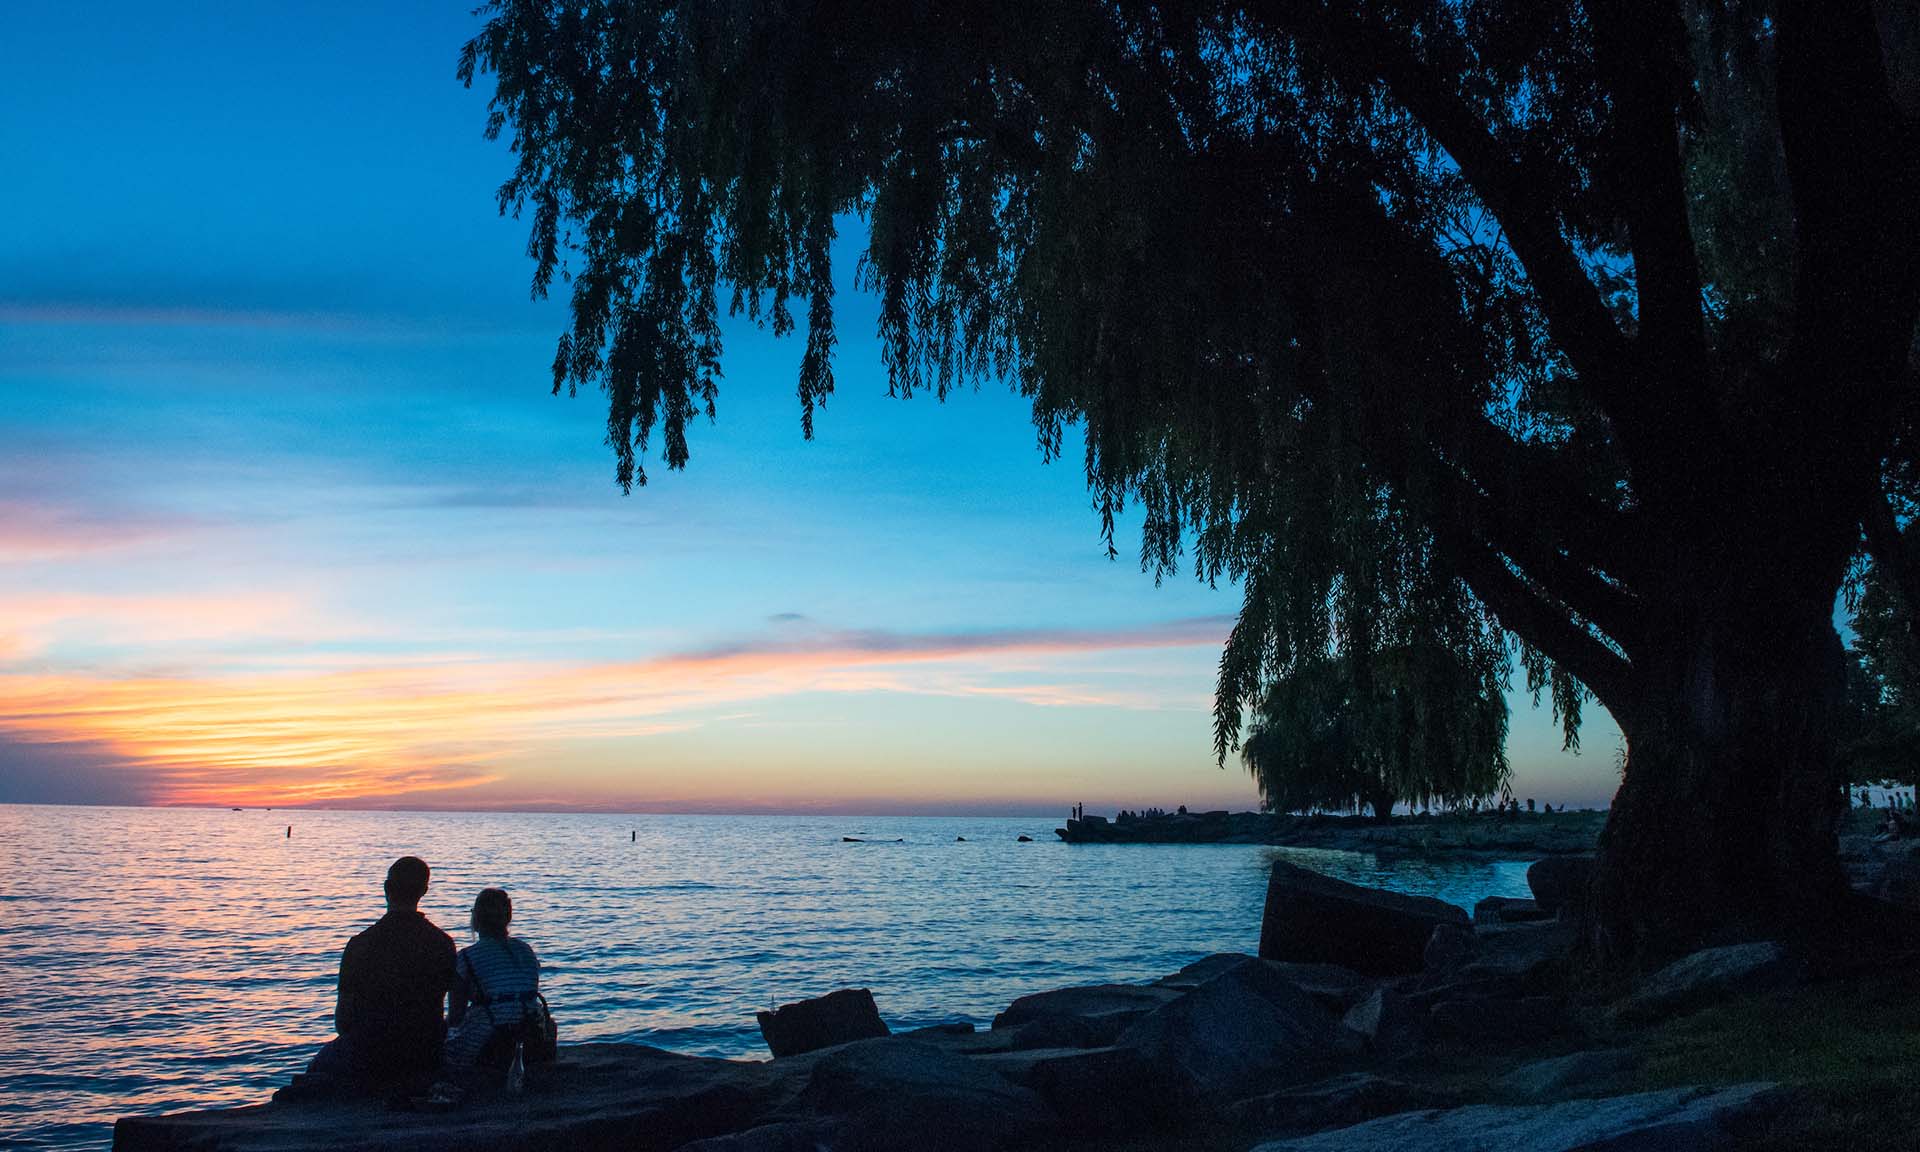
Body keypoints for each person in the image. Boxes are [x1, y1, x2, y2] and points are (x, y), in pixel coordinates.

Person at [304, 857, 456, 1092]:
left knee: (314, 1070)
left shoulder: (360, 945)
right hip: (424, 1055)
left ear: (386, 888)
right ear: (424, 891)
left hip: (370, 1056)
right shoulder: (443, 943)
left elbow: (343, 1022)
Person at [444, 887, 542, 1069]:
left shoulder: (467, 957)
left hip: (489, 1041)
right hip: (531, 1037)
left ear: (476, 918)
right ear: (508, 918)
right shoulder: (526, 950)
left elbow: (456, 1016)